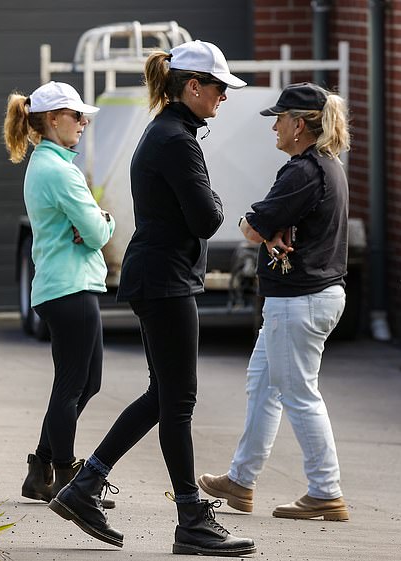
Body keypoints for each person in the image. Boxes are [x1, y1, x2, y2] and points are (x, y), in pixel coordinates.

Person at [48, 40, 256, 556]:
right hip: (165, 280)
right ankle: (190, 519)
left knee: (164, 395)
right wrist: (214, 198)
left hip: (161, 276)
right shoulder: (175, 140)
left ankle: (86, 484)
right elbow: (208, 218)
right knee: (177, 398)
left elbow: (199, 211)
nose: (224, 98)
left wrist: (207, 198)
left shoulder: (170, 131)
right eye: (218, 88)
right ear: (192, 86)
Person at [198, 82, 351, 522]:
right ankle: (241, 481)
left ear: (300, 125)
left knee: (298, 394)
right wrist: (271, 227)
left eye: (280, 119)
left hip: (298, 301)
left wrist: (257, 223)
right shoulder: (327, 167)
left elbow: (252, 226)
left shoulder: (302, 171)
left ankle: (326, 490)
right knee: (263, 385)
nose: (275, 128)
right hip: (307, 297)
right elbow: (277, 224)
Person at [3, 81, 116, 508]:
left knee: (86, 382)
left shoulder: (47, 164)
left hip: (66, 285)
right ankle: (69, 481)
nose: (84, 122)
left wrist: (91, 225)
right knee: (73, 385)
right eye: (76, 115)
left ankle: (40, 470)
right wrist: (104, 221)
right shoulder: (59, 170)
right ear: (53, 120)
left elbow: (84, 230)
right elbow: (96, 230)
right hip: (69, 288)